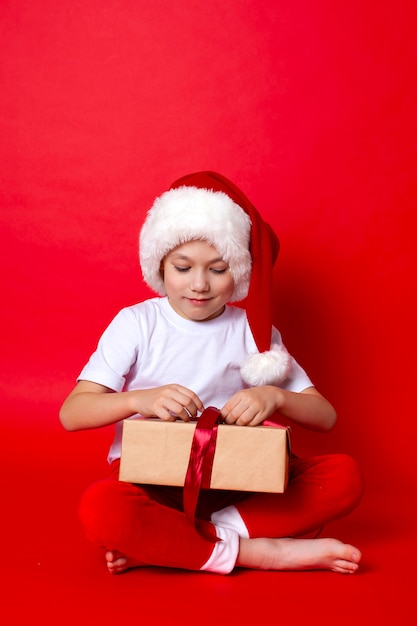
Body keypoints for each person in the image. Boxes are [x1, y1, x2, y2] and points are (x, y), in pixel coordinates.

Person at [59, 171, 364, 575]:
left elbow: (325, 418)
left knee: (344, 477)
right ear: (160, 265)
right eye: (182, 267)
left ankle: (176, 542)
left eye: (218, 270)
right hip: (155, 480)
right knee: (101, 508)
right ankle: (261, 552)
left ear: (238, 270)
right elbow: (71, 414)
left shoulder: (253, 328)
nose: (199, 285)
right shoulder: (136, 323)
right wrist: (139, 399)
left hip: (240, 479)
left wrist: (274, 397)